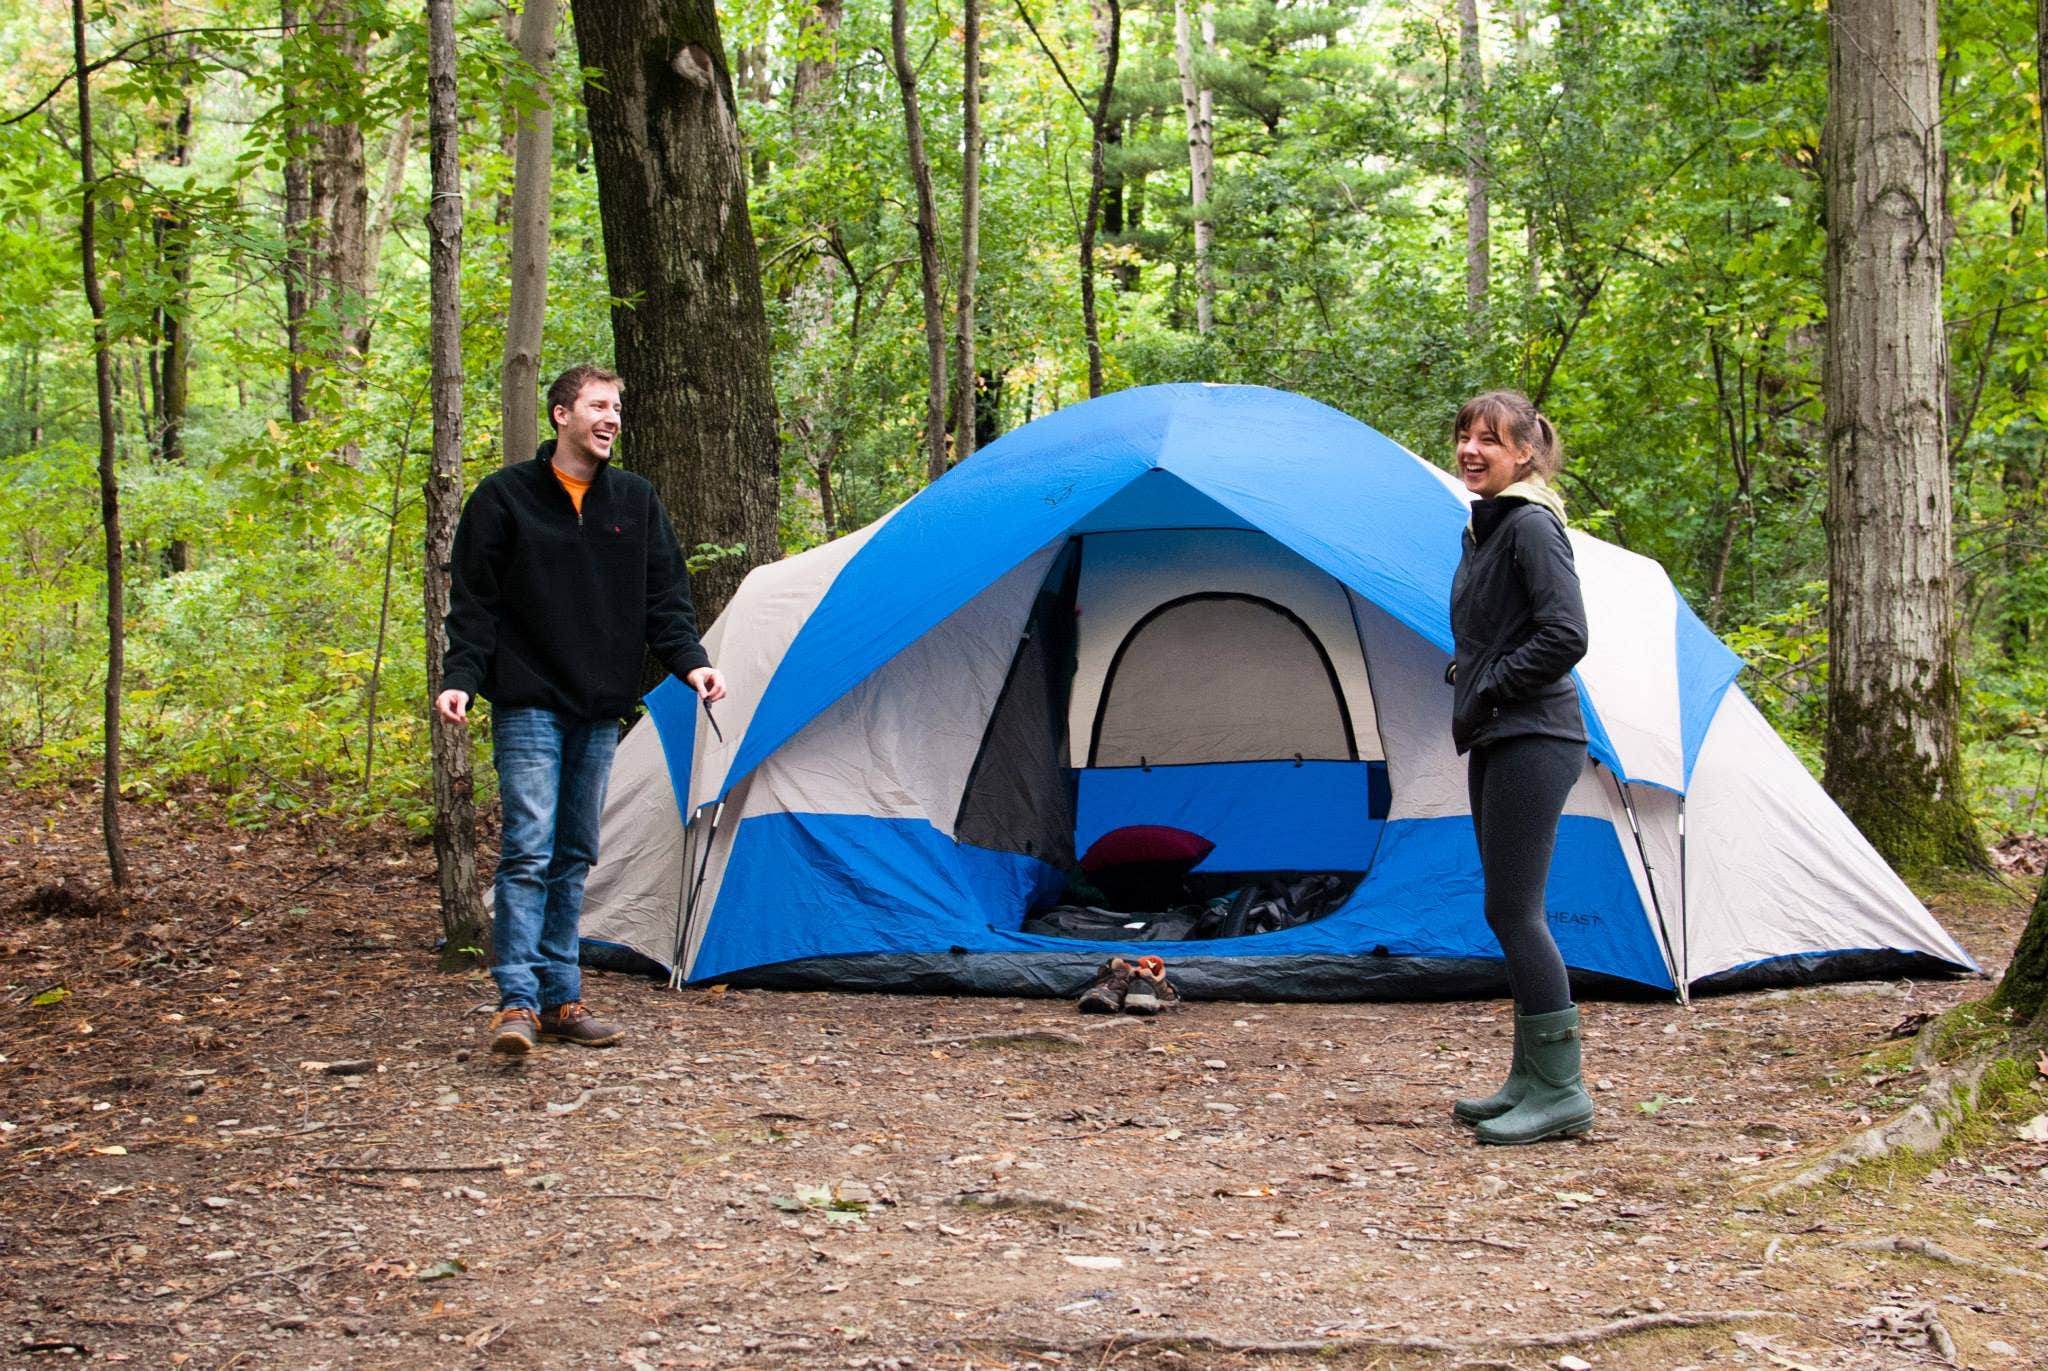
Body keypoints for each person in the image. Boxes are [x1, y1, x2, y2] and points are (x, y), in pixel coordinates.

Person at [436, 364, 726, 1056]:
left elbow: (665, 600)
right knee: (529, 850)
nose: (613, 418)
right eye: (599, 405)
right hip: (529, 701)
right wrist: (461, 678)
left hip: (599, 708)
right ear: (562, 413)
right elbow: (474, 605)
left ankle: (562, 997)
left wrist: (693, 662)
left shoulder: (635, 500)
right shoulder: (504, 499)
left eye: (618, 407)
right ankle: (516, 1002)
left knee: (574, 855)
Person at [1445, 390, 1594, 1144]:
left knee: (1516, 910)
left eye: (1490, 441)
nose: (1472, 450)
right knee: (1507, 908)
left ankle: (1562, 1090)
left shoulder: (1531, 524)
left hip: (1536, 732)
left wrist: (1494, 679)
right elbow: (1503, 627)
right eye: (1466, 437)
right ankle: (1529, 1076)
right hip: (1501, 730)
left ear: (1525, 453)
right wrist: (1468, 671)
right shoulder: (1489, 523)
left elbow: (1566, 634)